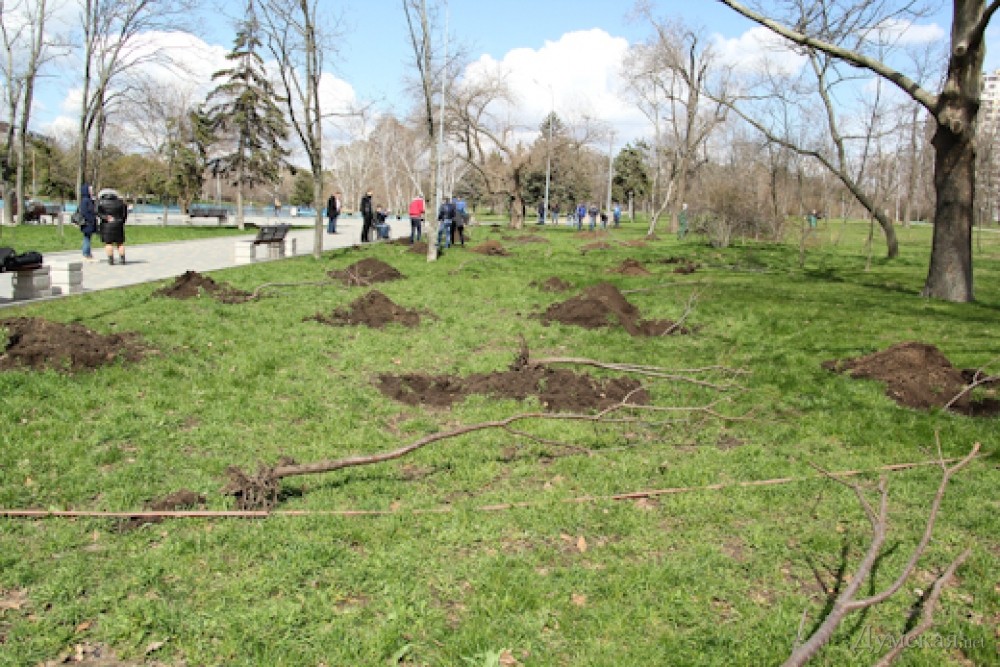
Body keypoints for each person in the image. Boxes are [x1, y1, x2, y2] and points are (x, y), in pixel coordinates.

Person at [97, 188, 127, 265]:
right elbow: (124, 214)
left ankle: (111, 260)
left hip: (106, 225)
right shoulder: (121, 203)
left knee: (108, 243)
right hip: (118, 224)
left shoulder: (101, 203)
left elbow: (98, 213)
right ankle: (122, 259)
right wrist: (121, 221)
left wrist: (105, 218)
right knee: (120, 243)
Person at [78, 184, 98, 261]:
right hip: (87, 223)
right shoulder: (85, 200)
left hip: (89, 223)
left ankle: (88, 253)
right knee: (87, 238)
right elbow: (85, 212)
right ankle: (86, 254)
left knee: (88, 238)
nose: (92, 191)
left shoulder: (89, 200)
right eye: (90, 190)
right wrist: (91, 219)